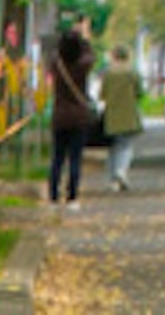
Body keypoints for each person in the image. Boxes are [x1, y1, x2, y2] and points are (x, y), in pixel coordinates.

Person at [46, 17, 101, 207]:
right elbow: (91, 56)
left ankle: (53, 195)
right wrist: (84, 38)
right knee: (75, 159)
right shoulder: (82, 66)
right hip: (78, 117)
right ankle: (72, 197)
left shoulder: (57, 65)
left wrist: (69, 36)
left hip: (59, 116)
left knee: (57, 158)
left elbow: (55, 54)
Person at [101, 20, 145, 193]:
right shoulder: (132, 73)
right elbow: (140, 93)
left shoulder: (108, 74)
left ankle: (113, 178)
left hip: (111, 113)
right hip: (129, 113)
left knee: (113, 146)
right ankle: (121, 171)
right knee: (126, 145)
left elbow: (102, 95)